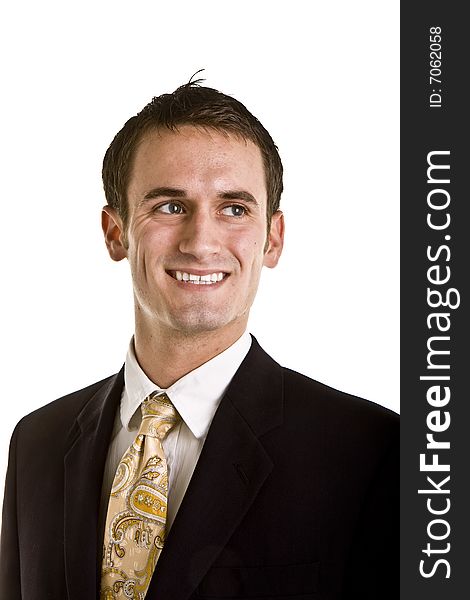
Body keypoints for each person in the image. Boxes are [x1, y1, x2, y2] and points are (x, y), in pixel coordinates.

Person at [0, 79, 399, 600]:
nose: (201, 241)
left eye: (234, 209)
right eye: (169, 206)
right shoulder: (37, 444)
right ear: (115, 231)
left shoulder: (372, 452)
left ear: (272, 238)